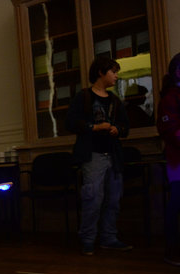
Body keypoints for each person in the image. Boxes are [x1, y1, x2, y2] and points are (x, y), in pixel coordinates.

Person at [66, 56, 132, 255]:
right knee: (93, 199)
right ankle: (87, 239)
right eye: (113, 72)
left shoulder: (115, 101)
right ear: (101, 72)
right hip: (92, 155)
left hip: (113, 155)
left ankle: (108, 238)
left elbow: (125, 127)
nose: (116, 76)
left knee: (113, 199)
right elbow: (70, 123)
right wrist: (94, 127)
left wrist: (116, 130)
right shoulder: (83, 97)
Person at [156, 50, 180, 267]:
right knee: (176, 204)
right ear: (179, 72)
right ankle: (171, 250)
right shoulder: (172, 97)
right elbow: (170, 130)